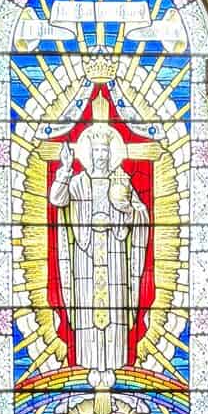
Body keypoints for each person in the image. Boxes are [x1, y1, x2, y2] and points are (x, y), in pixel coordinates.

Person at [48, 120, 149, 371]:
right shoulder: (79, 181)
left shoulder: (121, 181)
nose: (101, 155)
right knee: (87, 305)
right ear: (90, 154)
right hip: (86, 250)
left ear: (110, 153)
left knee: (115, 304)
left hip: (115, 250)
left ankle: (115, 360)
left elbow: (141, 214)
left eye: (105, 150)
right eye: (97, 151)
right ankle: (89, 360)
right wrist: (65, 169)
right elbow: (57, 199)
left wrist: (126, 209)